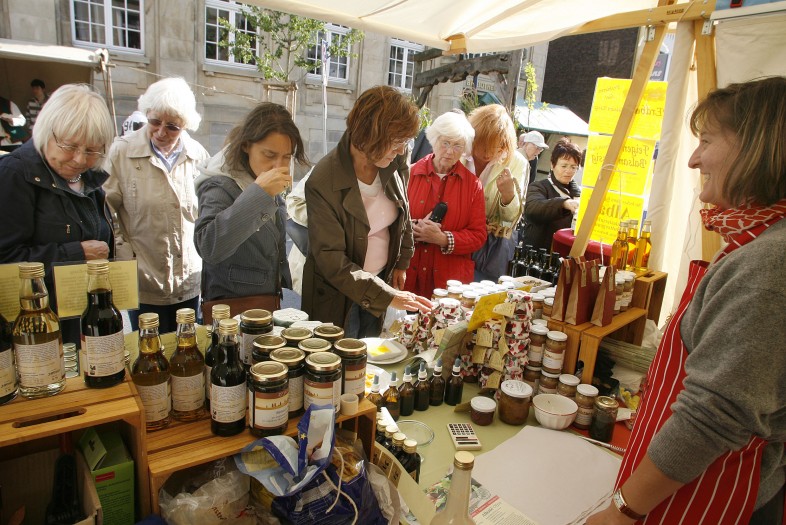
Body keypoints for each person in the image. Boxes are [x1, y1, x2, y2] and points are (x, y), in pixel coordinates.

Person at [587, 76, 786, 525]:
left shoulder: (769, 264)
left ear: (754, 149)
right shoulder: (755, 243)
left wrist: (622, 511)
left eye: (707, 141)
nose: (694, 159)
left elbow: (711, 418)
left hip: (711, 496)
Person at [302, 85, 432, 338]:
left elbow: (404, 213)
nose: (402, 151)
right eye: (396, 143)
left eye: (405, 142)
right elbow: (331, 260)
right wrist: (386, 296)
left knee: (372, 352)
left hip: (382, 277)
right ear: (370, 135)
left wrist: (402, 262)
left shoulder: (395, 159)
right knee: (346, 355)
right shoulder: (323, 181)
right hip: (338, 293)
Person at [0, 84, 115, 343]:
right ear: (47, 131)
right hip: (37, 333)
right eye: (69, 146)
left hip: (82, 322)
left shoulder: (89, 179)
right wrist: (76, 253)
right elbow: (5, 260)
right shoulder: (14, 175)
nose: (79, 159)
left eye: (91, 150)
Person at [104, 77, 209, 333]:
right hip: (145, 281)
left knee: (188, 347)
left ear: (185, 125)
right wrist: (124, 253)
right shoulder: (121, 152)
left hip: (189, 280)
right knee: (150, 349)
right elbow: (105, 211)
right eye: (154, 122)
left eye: (172, 127)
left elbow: (207, 213)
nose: (161, 132)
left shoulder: (198, 155)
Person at [194, 102, 307, 309]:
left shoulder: (257, 175)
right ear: (246, 145)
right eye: (269, 155)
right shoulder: (220, 184)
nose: (278, 165)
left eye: (286, 157)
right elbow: (208, 246)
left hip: (268, 302)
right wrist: (260, 194)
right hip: (231, 309)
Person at [405, 111, 486, 296]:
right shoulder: (408, 175)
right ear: (434, 140)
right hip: (408, 275)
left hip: (450, 284)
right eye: (445, 143)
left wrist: (443, 239)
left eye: (457, 145)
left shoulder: (473, 186)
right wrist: (415, 229)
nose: (450, 151)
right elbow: (389, 222)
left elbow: (479, 235)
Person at [463, 104, 528, 282]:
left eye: (496, 147)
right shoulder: (460, 151)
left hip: (490, 249)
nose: (487, 153)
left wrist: (508, 197)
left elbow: (511, 219)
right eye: (483, 145)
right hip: (456, 239)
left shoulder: (516, 162)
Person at [519, 138, 582, 252]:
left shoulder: (578, 194)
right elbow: (533, 208)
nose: (569, 171)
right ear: (553, 165)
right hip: (538, 255)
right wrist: (564, 203)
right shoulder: (538, 187)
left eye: (573, 167)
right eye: (564, 166)